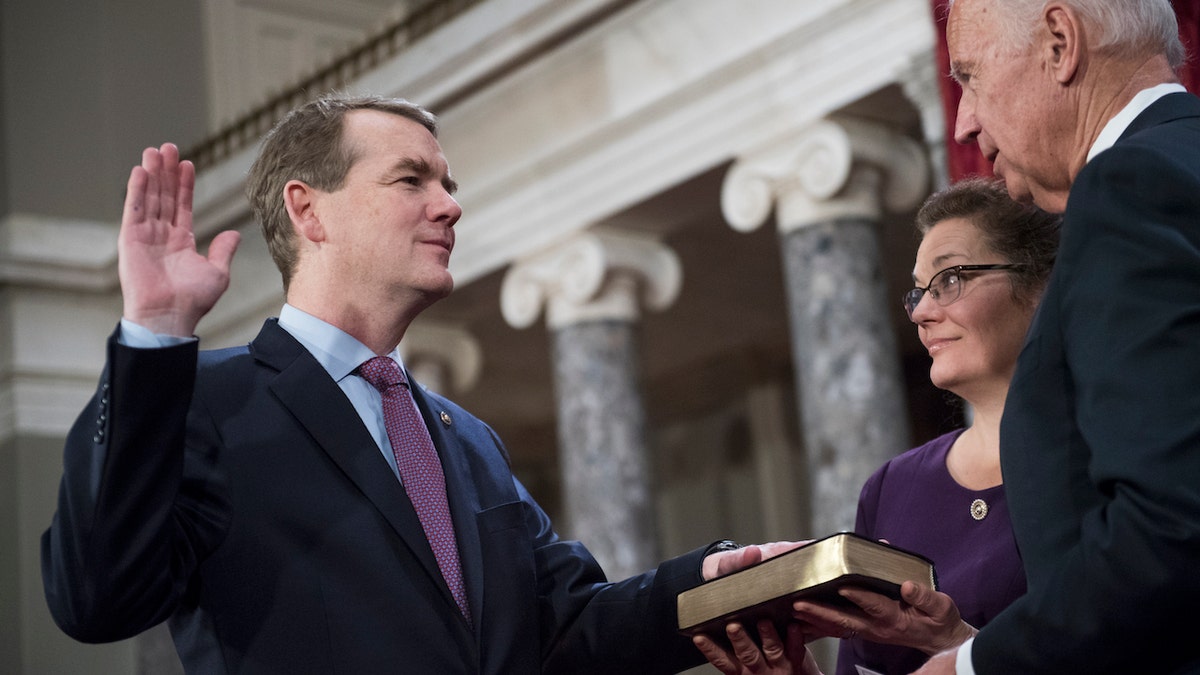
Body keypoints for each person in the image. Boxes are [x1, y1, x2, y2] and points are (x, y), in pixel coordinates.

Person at [40, 95, 780, 675]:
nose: (450, 204)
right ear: (308, 210)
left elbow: (565, 625)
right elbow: (97, 597)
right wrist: (156, 334)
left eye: (448, 184)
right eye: (411, 180)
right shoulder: (206, 401)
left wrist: (718, 582)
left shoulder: (469, 440)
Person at [915, 0, 1200, 673]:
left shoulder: (1127, 188)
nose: (967, 122)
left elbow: (1172, 524)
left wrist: (972, 666)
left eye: (972, 78)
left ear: (1059, 42)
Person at [693, 178, 1060, 675]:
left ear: (1040, 287)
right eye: (920, 292)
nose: (924, 313)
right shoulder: (893, 488)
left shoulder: (1095, 456)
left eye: (950, 279)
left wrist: (957, 643)